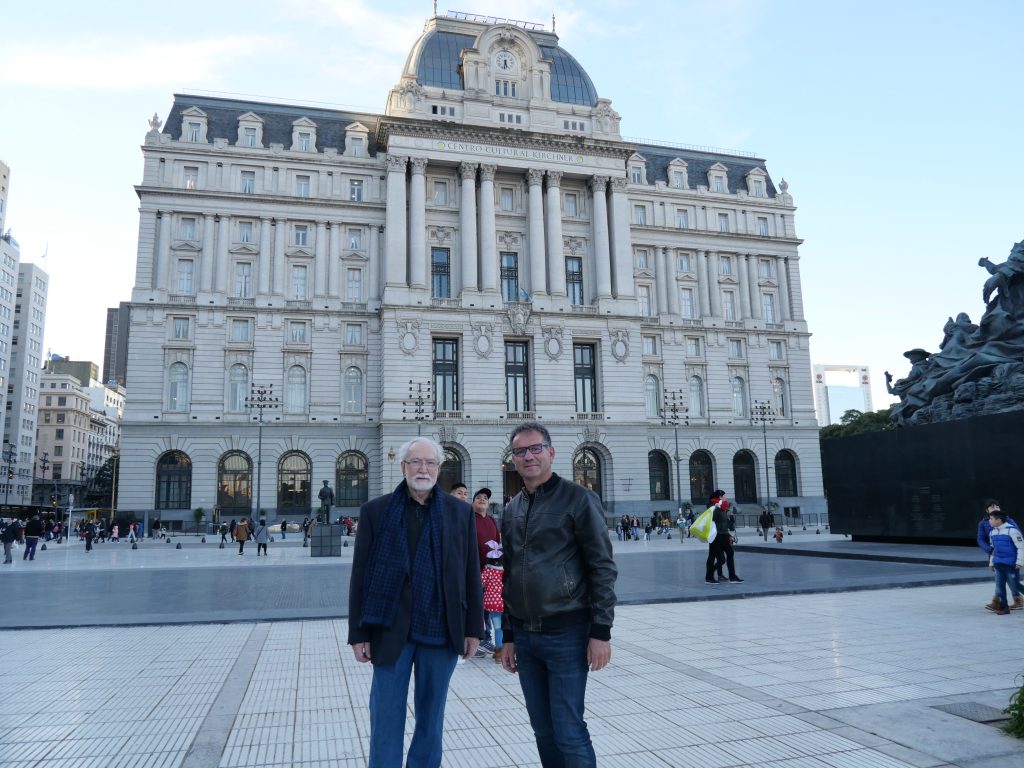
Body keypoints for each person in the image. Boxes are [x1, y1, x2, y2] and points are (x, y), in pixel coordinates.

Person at [347, 436, 483, 768]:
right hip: (390, 629)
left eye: (430, 462)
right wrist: (358, 633)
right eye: (415, 462)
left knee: (431, 719)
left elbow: (470, 574)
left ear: (439, 467)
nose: (423, 468)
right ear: (403, 466)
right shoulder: (376, 512)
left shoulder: (459, 513)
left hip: (441, 630)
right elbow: (360, 576)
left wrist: (473, 629)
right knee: (385, 717)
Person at [500, 422, 617, 768]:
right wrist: (507, 635)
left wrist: (600, 631)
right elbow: (509, 574)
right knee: (542, 730)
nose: (528, 456)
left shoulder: (579, 499)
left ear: (551, 453)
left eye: (536, 448)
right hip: (525, 635)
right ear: (513, 460)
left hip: (567, 633)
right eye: (520, 451)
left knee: (568, 729)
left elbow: (602, 567)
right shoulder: (512, 508)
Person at [471, 487, 500, 657]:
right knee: (476, 605)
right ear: (473, 503)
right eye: (478, 498)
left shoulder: (491, 521)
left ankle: (485, 638)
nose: (482, 500)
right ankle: (477, 638)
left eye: (485, 498)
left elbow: (497, 543)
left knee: (487, 606)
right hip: (474, 570)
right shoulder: (469, 519)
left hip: (490, 572)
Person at [977, 500, 1021, 611]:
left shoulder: (1008, 521)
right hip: (996, 555)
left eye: (997, 506)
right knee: (1002, 579)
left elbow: (1018, 537)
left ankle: (999, 601)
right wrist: (990, 551)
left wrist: (1020, 560)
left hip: (1010, 556)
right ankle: (1015, 600)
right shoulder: (983, 523)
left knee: (1008, 580)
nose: (995, 507)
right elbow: (981, 539)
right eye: (992, 506)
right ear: (987, 510)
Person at [986, 507, 1023, 615]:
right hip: (998, 564)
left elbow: (1021, 547)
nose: (989, 521)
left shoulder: (1012, 531)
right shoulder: (992, 533)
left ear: (998, 520)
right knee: (1000, 587)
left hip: (1011, 564)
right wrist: (992, 562)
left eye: (991, 518)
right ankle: (1004, 608)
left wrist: (1020, 562)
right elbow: (994, 550)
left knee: (1015, 585)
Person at [481, 543, 505, 663]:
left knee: (497, 628)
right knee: (506, 627)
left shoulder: (488, 570)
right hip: (504, 602)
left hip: (491, 604)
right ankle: (508, 651)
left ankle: (499, 653)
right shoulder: (505, 571)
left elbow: (481, 583)